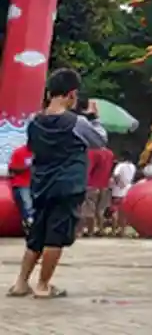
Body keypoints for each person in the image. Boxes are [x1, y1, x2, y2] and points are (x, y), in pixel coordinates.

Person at [8, 68, 107, 299]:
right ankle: (43, 285)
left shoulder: (34, 122)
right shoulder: (76, 122)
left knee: (37, 235)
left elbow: (33, 148)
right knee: (56, 236)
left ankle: (21, 283)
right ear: (71, 94)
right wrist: (94, 117)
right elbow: (99, 140)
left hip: (40, 184)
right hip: (67, 185)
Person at [81, 142, 114, 237]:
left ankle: (90, 231)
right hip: (104, 185)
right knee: (100, 210)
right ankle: (101, 229)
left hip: (91, 184)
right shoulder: (110, 153)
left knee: (89, 210)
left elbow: (88, 169)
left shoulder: (92, 152)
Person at [7, 141, 34, 233]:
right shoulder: (19, 152)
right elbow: (12, 169)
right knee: (27, 202)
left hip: (37, 183)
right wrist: (27, 167)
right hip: (22, 183)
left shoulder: (42, 152)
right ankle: (29, 222)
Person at [109, 152, 136, 238]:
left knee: (115, 210)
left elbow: (115, 175)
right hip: (128, 190)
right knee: (123, 212)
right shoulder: (133, 167)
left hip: (118, 191)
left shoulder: (120, 166)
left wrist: (118, 182)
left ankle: (113, 230)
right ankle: (122, 231)